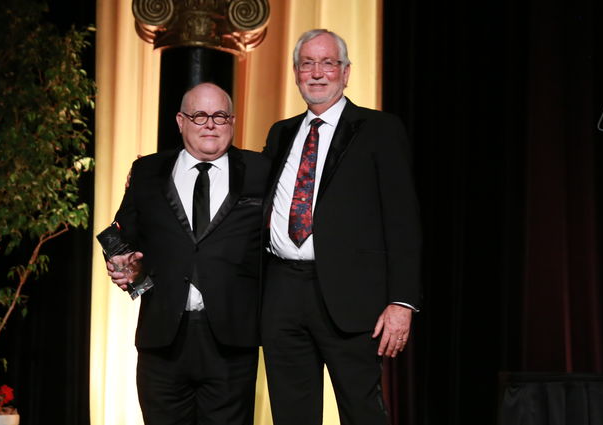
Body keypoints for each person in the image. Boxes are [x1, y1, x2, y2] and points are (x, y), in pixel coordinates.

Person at [261, 29, 422, 425]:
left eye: (328, 63)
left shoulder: (380, 130)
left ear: (346, 73)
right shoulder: (280, 133)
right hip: (281, 294)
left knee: (362, 412)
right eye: (307, 64)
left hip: (352, 299)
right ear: (296, 73)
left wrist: (402, 302)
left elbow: (403, 221)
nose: (317, 73)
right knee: (292, 414)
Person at [107, 82, 269, 425]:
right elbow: (123, 238)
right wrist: (128, 272)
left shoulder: (261, 171)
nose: (210, 124)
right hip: (162, 336)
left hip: (231, 339)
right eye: (199, 115)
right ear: (180, 121)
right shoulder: (147, 171)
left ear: (233, 122)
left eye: (220, 116)